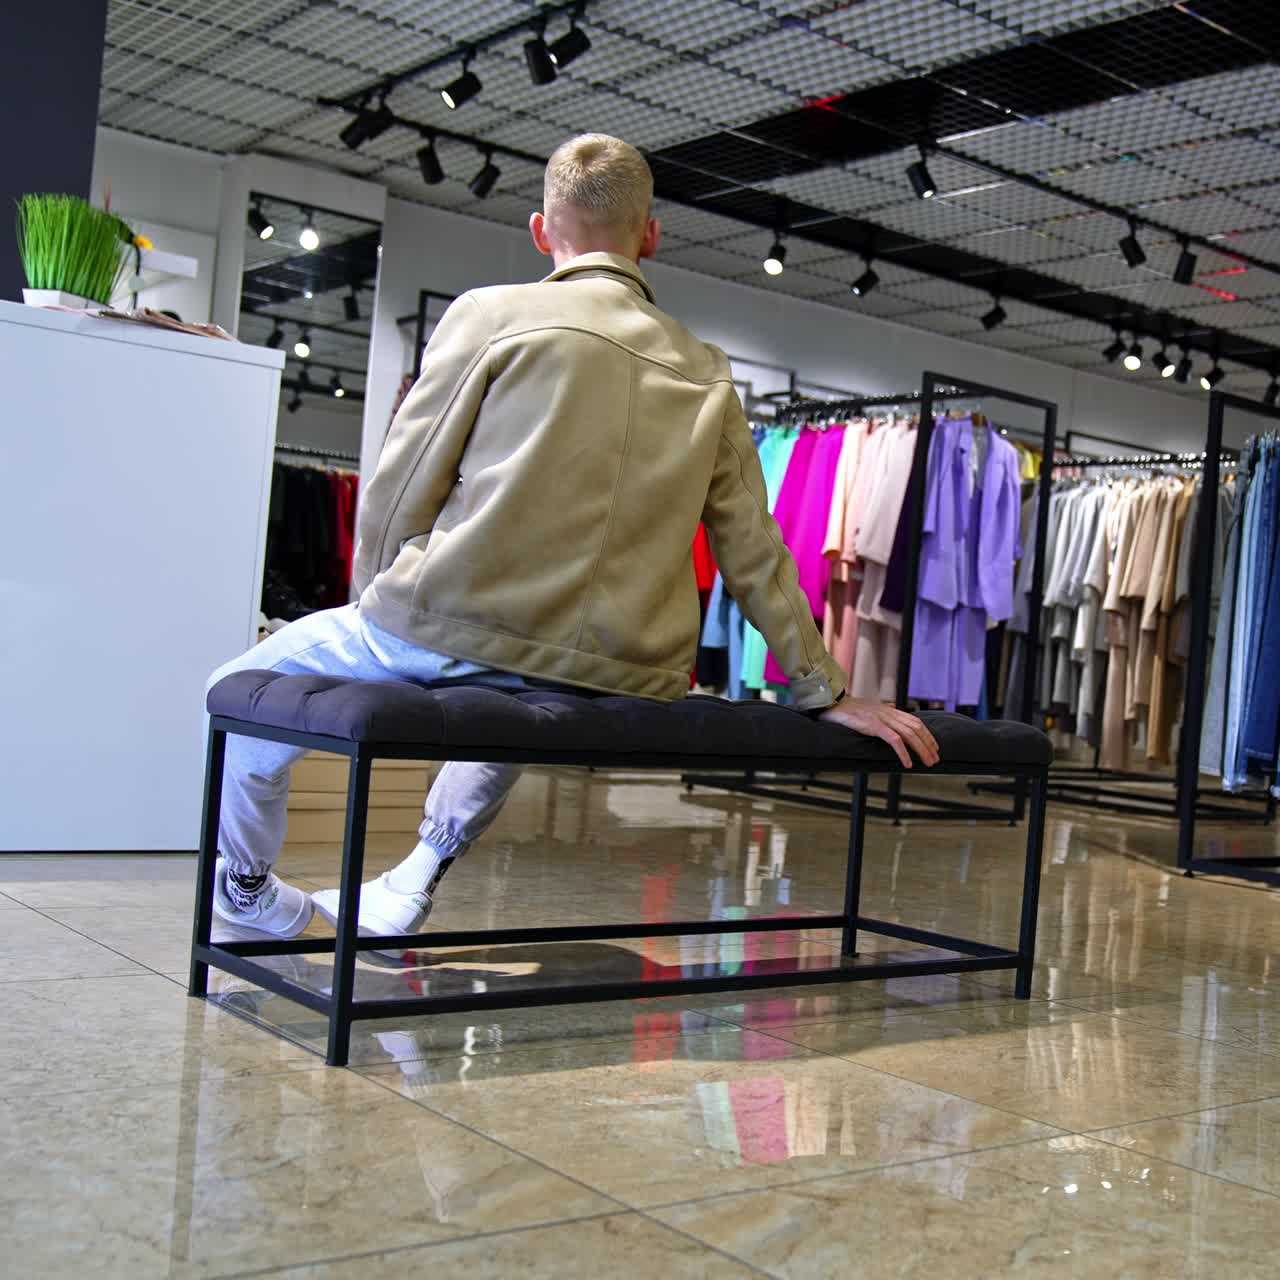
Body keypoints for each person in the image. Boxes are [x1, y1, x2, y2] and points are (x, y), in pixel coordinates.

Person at [208, 133, 940, 942]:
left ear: (540, 230)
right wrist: (822, 688)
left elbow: (402, 479)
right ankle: (414, 878)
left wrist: (379, 598)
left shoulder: (492, 316)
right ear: (650, 235)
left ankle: (243, 890)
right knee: (521, 677)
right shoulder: (706, 368)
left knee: (246, 686)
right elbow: (754, 549)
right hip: (628, 666)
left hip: (462, 622)